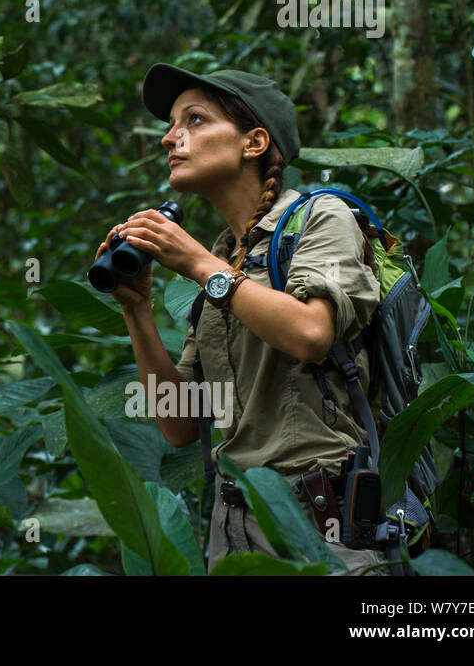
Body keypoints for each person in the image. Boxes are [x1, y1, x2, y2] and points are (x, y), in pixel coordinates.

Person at [92, 63, 388, 575]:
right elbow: (180, 424)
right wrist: (136, 308)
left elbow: (311, 333)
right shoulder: (223, 256)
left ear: (253, 142)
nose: (170, 137)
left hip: (319, 523)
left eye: (196, 120)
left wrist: (199, 267)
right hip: (232, 527)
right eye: (172, 124)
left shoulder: (321, 218)